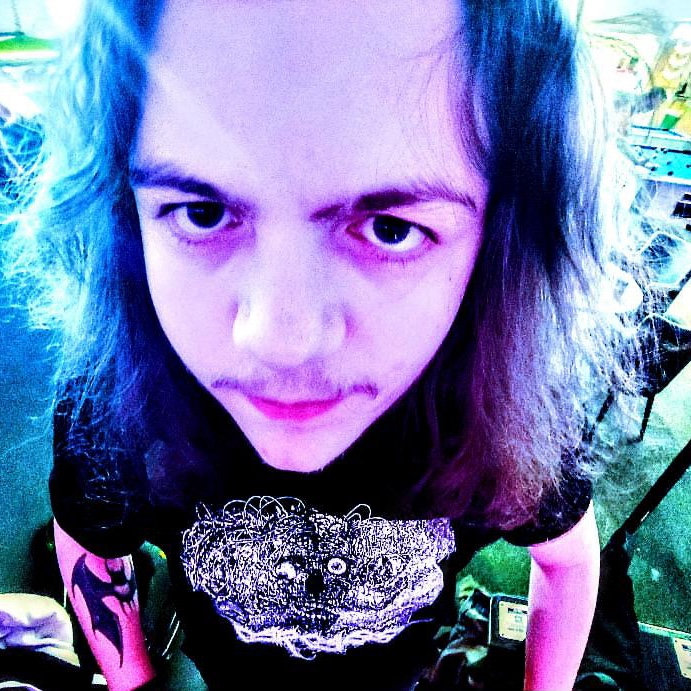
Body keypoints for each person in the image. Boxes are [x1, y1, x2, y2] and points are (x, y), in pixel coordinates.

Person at [2, 0, 641, 689]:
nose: (280, 341)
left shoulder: (504, 402)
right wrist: (135, 683)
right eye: (203, 213)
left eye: (391, 228)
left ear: (501, 245)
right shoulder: (120, 390)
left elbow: (568, 561)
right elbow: (90, 545)